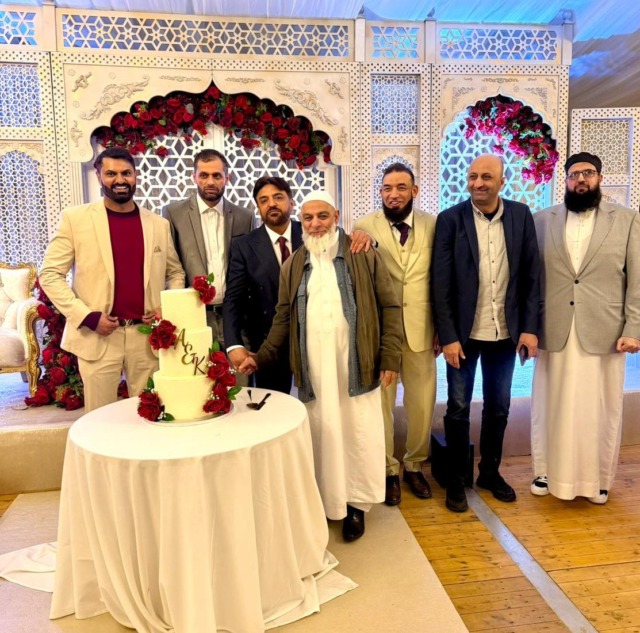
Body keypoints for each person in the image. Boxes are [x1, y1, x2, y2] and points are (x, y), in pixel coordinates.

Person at [239, 190, 403, 542]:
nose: (315, 224)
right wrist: (261, 356)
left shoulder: (363, 254)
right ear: (301, 221)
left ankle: (356, 504)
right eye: (308, 218)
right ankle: (328, 501)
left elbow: (390, 307)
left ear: (336, 216)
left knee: (357, 433)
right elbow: (283, 318)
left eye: (323, 216)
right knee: (322, 434)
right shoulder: (294, 264)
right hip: (314, 369)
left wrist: (390, 357)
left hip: (356, 366)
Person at [39, 147, 185, 412]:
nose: (120, 180)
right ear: (99, 177)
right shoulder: (76, 219)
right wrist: (88, 317)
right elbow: (50, 274)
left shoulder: (157, 224)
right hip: (98, 336)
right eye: (111, 174)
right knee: (99, 419)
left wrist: (166, 308)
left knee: (149, 415)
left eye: (126, 173)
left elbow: (175, 272)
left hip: (146, 338)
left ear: (135, 176)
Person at [530, 152, 640, 505]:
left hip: (605, 331)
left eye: (588, 173)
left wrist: (634, 328)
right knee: (550, 403)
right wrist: (528, 328)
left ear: (599, 178)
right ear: (564, 180)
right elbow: (531, 280)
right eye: (574, 174)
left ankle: (598, 480)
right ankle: (546, 472)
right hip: (554, 328)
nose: (581, 179)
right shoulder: (542, 220)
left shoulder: (627, 220)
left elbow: (637, 281)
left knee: (601, 407)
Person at [432, 154, 540, 513]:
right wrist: (448, 335)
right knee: (458, 407)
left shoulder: (521, 216)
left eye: (487, 177)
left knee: (499, 407)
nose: (478, 183)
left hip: (505, 333)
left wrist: (529, 329)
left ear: (501, 182)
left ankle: (489, 473)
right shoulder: (451, 219)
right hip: (464, 335)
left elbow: (531, 276)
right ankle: (456, 479)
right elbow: (441, 283)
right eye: (473, 176)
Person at [355, 163, 437, 505]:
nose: (394, 194)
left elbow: (441, 278)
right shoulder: (362, 227)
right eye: (387, 188)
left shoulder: (434, 225)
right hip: (382, 334)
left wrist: (442, 328)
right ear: (380, 192)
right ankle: (388, 470)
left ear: (414, 191)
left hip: (422, 329)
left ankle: (415, 465)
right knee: (381, 406)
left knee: (422, 405)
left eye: (401, 187)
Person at [162, 149, 254, 346]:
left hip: (236, 317)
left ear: (227, 178)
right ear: (194, 177)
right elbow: (170, 267)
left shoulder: (244, 217)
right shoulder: (174, 214)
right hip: (193, 316)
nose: (210, 182)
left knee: (239, 367)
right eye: (204, 175)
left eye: (216, 176)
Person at [223, 176, 303, 393]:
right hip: (268, 344)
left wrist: (364, 237)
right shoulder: (244, 245)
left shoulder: (311, 233)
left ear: (291, 202)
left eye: (278, 197)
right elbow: (233, 299)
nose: (272, 204)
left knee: (320, 406)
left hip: (313, 339)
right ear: (258, 207)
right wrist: (234, 344)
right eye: (264, 200)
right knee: (273, 405)